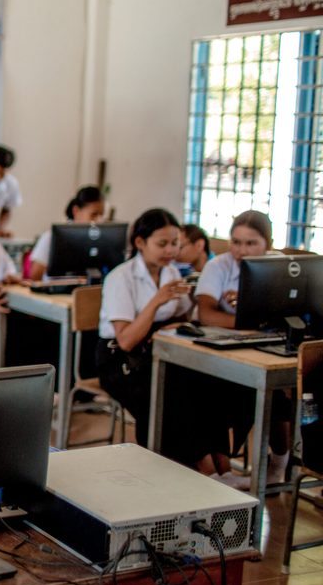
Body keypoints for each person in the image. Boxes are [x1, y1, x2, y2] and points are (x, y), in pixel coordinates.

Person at [194, 210, 291, 485]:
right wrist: (251, 317)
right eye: (236, 242)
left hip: (261, 352)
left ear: (267, 244)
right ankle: (222, 470)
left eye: (251, 243)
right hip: (220, 355)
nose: (241, 250)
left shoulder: (279, 266)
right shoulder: (219, 266)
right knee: (216, 392)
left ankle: (279, 464)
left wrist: (247, 314)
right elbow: (207, 314)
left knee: (278, 399)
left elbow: (287, 313)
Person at [96, 208, 193, 448]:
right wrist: (157, 300)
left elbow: (182, 314)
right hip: (119, 359)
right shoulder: (121, 277)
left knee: (196, 388)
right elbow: (126, 340)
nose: (170, 251)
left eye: (175, 243)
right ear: (140, 242)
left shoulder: (171, 272)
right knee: (157, 395)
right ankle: (159, 462)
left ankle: (206, 468)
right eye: (162, 244)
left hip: (156, 353)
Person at [29, 185, 107, 280]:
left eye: (101, 215)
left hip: (85, 293)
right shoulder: (51, 237)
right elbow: (34, 276)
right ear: (76, 211)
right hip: (54, 293)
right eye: (94, 214)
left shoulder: (99, 241)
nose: (99, 220)